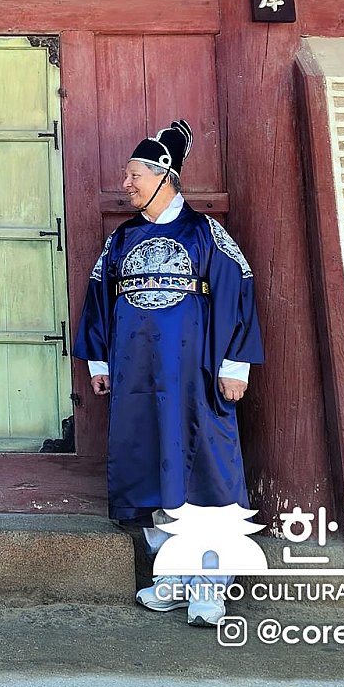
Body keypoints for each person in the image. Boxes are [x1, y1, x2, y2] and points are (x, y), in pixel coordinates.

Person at [74, 120, 263, 627]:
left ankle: (210, 587)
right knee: (151, 466)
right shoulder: (122, 239)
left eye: (134, 175)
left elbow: (239, 291)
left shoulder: (205, 233)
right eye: (126, 176)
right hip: (137, 378)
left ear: (165, 176)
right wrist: (99, 361)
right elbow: (99, 298)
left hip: (195, 374)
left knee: (205, 471)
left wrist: (235, 364)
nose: (126, 185)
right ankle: (173, 577)